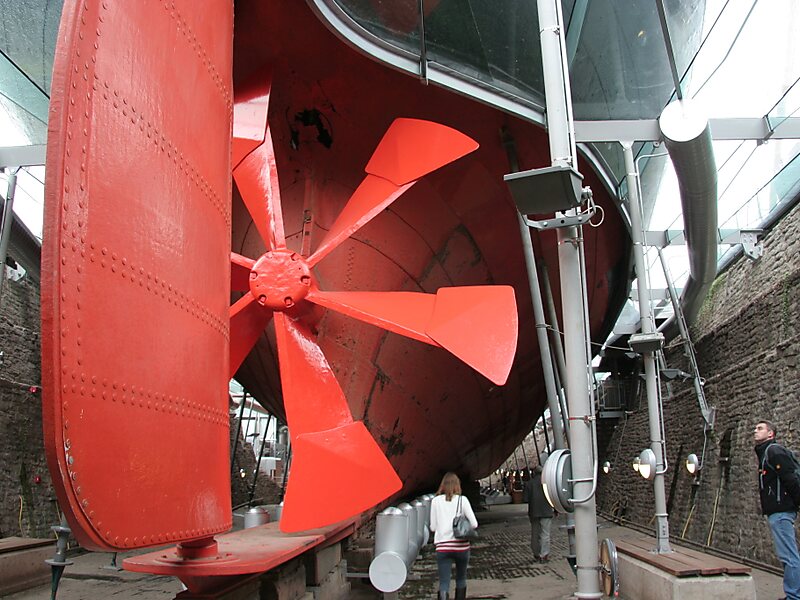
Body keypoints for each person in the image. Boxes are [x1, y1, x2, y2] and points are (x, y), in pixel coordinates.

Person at [754, 420, 800, 600]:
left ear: (771, 434)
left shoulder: (773, 451)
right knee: (786, 555)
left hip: (781, 511)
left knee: (789, 556)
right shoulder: (765, 453)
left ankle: (794, 596)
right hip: (777, 511)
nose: (755, 431)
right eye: (755, 428)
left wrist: (796, 501)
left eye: (760, 428)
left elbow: (790, 478)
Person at [429, 472, 478, 600]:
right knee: (461, 579)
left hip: (443, 547)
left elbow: (433, 527)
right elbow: (474, 524)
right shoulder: (463, 500)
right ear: (457, 485)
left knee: (444, 583)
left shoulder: (435, 501)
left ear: (443, 485)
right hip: (461, 547)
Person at [523, 464, 554, 562]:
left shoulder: (529, 484)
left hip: (534, 512)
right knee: (545, 534)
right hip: (547, 511)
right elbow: (554, 497)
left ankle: (536, 553)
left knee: (535, 533)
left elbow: (525, 499)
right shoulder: (548, 483)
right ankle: (544, 554)